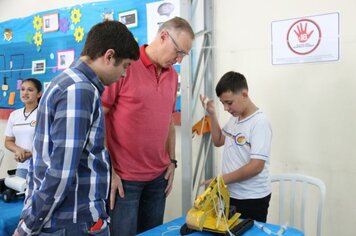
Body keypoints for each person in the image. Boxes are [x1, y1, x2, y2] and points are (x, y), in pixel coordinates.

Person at [14, 20, 139, 236]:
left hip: (65, 219)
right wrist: (26, 228)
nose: (124, 75)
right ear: (109, 56)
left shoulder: (66, 81)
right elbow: (60, 173)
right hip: (72, 222)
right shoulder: (80, 90)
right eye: (125, 66)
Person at [101, 16, 194, 235]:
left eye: (184, 55)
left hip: (157, 179)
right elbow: (100, 117)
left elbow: (168, 120)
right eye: (179, 52)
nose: (179, 60)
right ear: (163, 36)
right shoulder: (126, 66)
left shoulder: (172, 76)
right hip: (124, 179)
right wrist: (109, 170)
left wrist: (171, 161)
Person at [200, 71, 272, 222]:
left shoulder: (259, 123)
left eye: (229, 102)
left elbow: (256, 166)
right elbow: (218, 140)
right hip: (231, 194)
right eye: (222, 103)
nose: (226, 108)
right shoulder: (235, 119)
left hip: (251, 198)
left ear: (244, 95)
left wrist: (221, 180)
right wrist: (212, 114)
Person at [4, 78, 42, 179]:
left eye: (30, 90)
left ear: (39, 94)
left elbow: (49, 142)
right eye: (22, 89)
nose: (25, 92)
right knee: (19, 194)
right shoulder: (14, 115)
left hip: (41, 166)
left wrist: (30, 154)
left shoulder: (43, 113)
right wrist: (18, 150)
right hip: (22, 167)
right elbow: (8, 141)